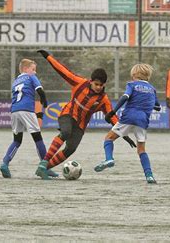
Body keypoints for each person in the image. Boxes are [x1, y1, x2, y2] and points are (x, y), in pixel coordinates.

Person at [34, 49, 136, 180]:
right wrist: (48, 57)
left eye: (101, 85)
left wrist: (123, 134)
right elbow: (62, 71)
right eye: (96, 84)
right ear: (91, 81)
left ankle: (45, 169)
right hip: (68, 114)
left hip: (81, 125)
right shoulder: (79, 83)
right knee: (65, 132)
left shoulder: (103, 100)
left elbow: (113, 117)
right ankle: (44, 162)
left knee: (71, 149)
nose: (98, 87)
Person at [94, 64, 161, 184]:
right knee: (141, 150)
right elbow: (158, 107)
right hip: (143, 121)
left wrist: (113, 112)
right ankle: (149, 175)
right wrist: (147, 103)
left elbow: (125, 97)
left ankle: (109, 159)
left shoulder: (132, 85)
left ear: (134, 75)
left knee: (109, 138)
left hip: (128, 117)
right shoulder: (152, 89)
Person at [0, 59, 58, 178]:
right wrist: (45, 102)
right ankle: (45, 167)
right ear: (26, 69)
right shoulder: (30, 77)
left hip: (14, 111)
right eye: (33, 69)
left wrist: (37, 112)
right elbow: (40, 91)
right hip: (26, 109)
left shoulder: (15, 81)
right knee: (38, 138)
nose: (35, 72)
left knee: (17, 140)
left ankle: (5, 163)